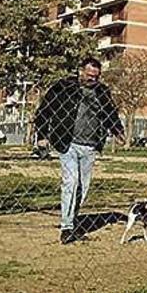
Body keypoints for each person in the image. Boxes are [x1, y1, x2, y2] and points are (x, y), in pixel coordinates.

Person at [34, 57, 125, 244]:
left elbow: (109, 114)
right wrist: (42, 136)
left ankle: (72, 218)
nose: (92, 79)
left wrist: (118, 131)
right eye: (89, 75)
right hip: (67, 143)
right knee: (71, 182)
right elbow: (44, 110)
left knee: (83, 187)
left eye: (96, 76)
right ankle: (67, 227)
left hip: (90, 146)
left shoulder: (101, 92)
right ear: (80, 70)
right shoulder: (64, 87)